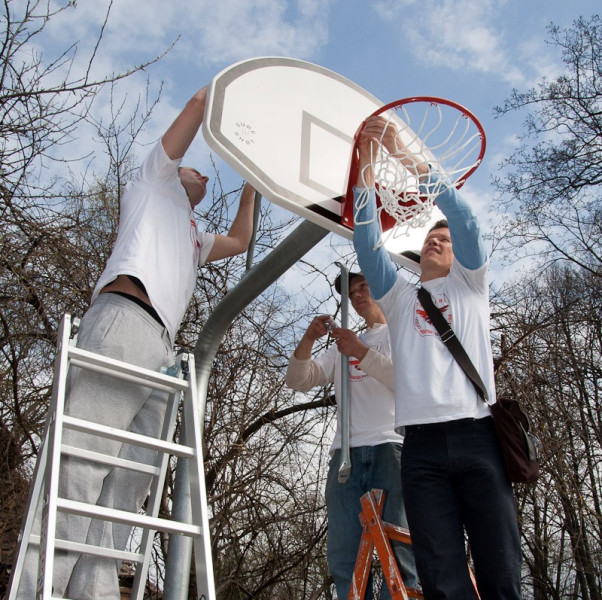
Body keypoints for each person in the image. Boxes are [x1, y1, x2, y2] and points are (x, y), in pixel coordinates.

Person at [17, 86, 256, 599]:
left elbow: (238, 242)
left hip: (161, 348)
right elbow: (195, 106)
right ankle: (41, 588)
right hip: (124, 318)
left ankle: (93, 592)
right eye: (196, 169)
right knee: (81, 463)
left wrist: (252, 185)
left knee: (128, 485)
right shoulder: (151, 184)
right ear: (176, 172)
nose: (203, 176)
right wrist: (230, 99)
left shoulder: (193, 235)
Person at [351, 116, 522, 599]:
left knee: (501, 567)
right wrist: (366, 164)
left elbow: (464, 219)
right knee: (441, 575)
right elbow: (367, 245)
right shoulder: (401, 298)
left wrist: (404, 156)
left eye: (444, 240)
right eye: (430, 235)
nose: (437, 238)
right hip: (421, 449)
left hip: (476, 435)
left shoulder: (470, 284)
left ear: (459, 255)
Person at [285, 271, 418, 600]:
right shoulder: (343, 343)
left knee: (398, 549)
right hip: (346, 455)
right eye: (351, 292)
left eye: (364, 286)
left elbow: (407, 383)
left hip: (392, 447)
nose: (357, 295)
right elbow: (298, 379)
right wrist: (309, 338)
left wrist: (361, 351)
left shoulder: (403, 332)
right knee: (344, 553)